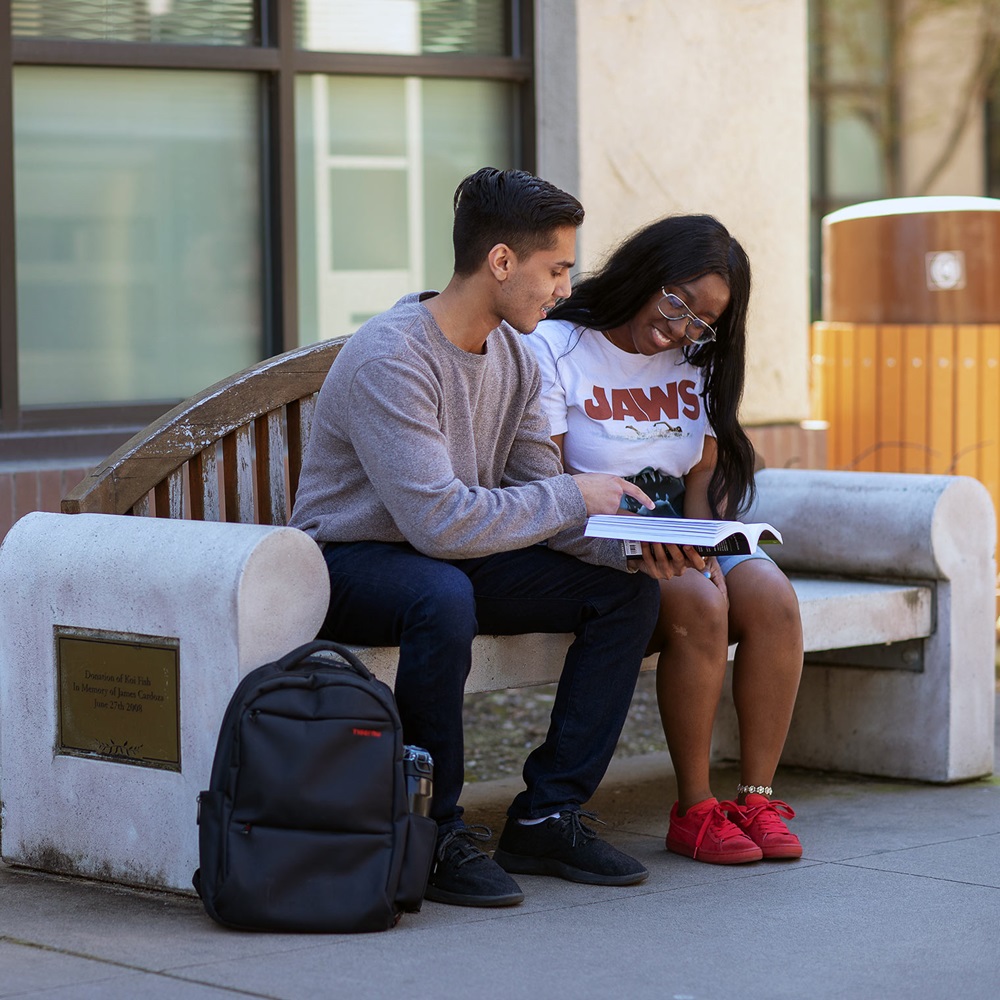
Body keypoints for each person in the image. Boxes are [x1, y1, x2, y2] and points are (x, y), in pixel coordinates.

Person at [290, 168, 698, 908]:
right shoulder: (394, 356)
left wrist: (632, 548)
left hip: (447, 559)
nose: (565, 289)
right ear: (502, 262)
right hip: (348, 563)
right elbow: (439, 522)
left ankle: (546, 814)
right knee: (441, 597)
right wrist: (574, 492)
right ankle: (433, 829)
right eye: (556, 269)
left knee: (621, 595)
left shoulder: (511, 356)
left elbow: (539, 498)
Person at [528, 214, 805, 865]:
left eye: (702, 321)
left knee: (771, 596)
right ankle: (697, 807)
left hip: (684, 530)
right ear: (647, 273)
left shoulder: (694, 361)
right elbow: (550, 479)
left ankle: (756, 796)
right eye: (678, 302)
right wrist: (679, 559)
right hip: (603, 543)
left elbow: (704, 477)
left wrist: (713, 546)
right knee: (702, 604)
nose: (681, 329)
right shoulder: (558, 346)